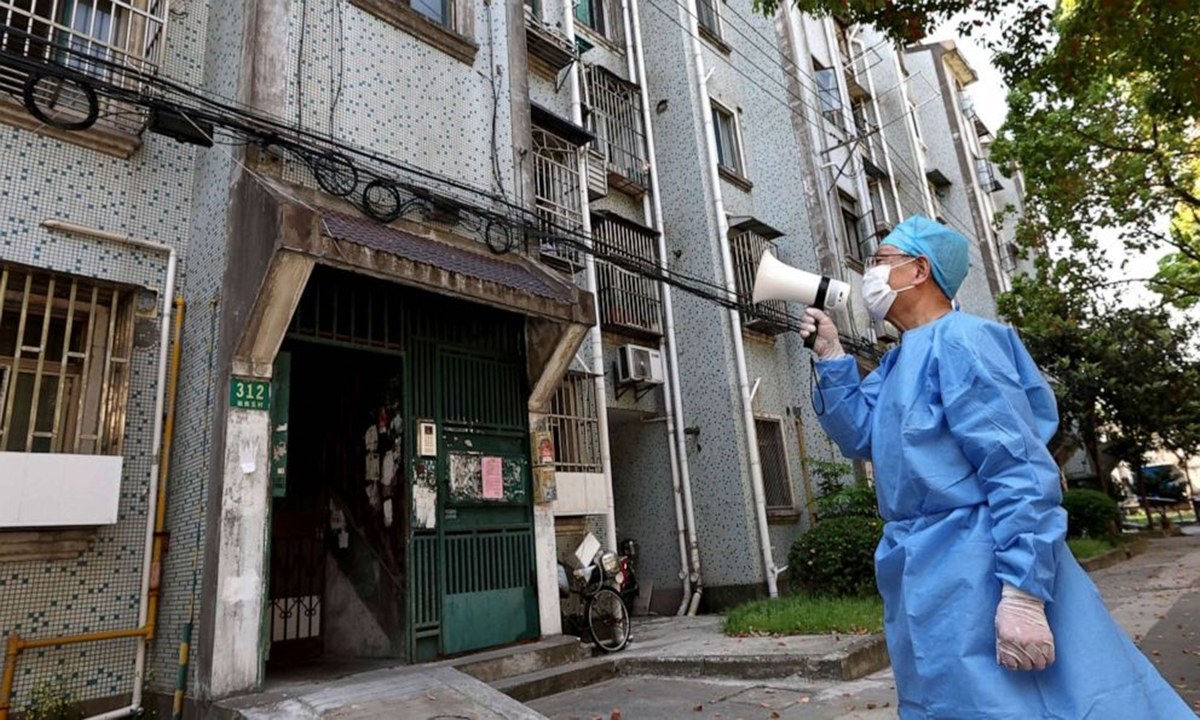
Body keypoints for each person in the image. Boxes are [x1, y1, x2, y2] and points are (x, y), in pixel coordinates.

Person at [800, 215, 1193, 719]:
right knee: (946, 702)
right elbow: (860, 435)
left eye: (880, 261)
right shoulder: (898, 362)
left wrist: (1023, 592)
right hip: (919, 568)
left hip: (979, 561)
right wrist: (831, 354)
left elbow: (1018, 470)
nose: (869, 273)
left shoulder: (963, 341)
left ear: (919, 270)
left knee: (1017, 702)